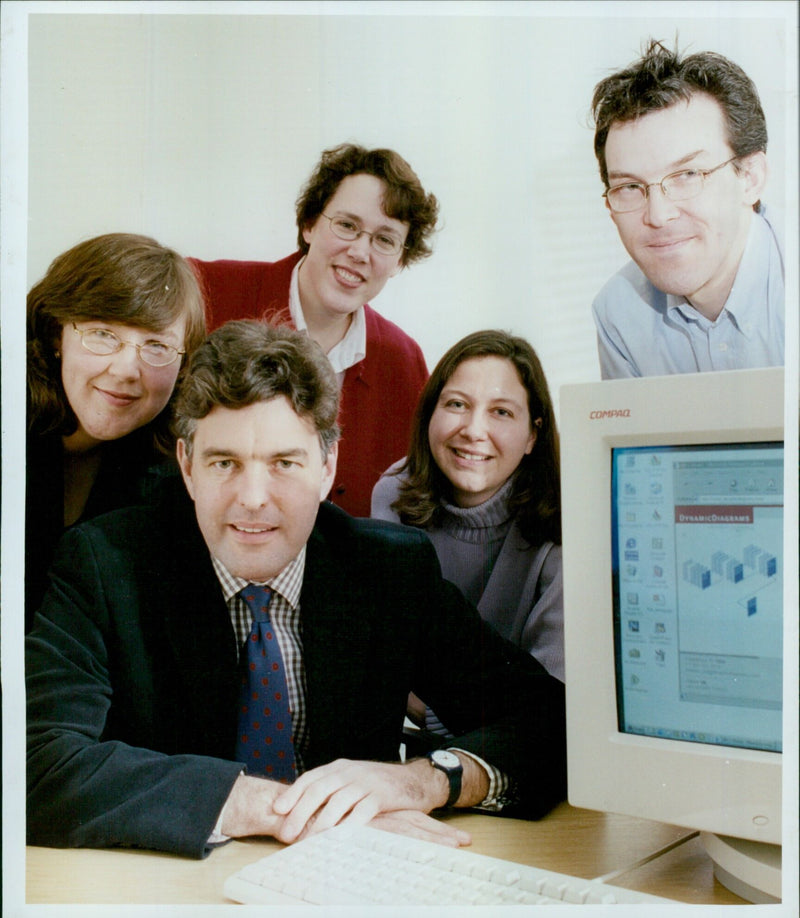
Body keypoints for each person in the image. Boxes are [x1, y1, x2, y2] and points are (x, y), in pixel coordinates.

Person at [26, 320, 567, 860]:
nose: (253, 498)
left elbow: (549, 721)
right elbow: (34, 762)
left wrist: (423, 781)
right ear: (187, 467)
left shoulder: (388, 570)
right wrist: (280, 809)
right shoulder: (104, 563)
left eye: (284, 463)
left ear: (327, 466)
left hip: (349, 885)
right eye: (224, 463)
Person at [190, 143, 438, 516]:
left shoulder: (404, 362)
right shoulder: (205, 291)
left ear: (400, 259)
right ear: (309, 225)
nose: (360, 252)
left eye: (384, 239)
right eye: (347, 226)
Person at [371, 331, 563, 741]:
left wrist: (434, 712)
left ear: (533, 434)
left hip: (529, 758)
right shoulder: (393, 495)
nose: (474, 430)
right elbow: (382, 665)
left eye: (501, 413)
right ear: (430, 414)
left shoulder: (567, 521)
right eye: (457, 405)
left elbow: (551, 700)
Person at [25, 232, 207, 630]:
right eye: (103, 334)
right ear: (57, 334)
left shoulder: (175, 481)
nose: (126, 370)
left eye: (157, 346)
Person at [590, 39, 784, 379]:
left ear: (751, 178)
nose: (658, 216)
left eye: (687, 175)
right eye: (630, 187)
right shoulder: (618, 313)